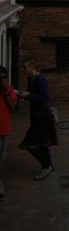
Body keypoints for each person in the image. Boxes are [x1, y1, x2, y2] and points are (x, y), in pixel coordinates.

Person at [16, 58, 57, 180]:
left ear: (31, 68)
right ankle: (48, 166)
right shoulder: (31, 79)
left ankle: (46, 165)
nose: (23, 70)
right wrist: (23, 94)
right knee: (42, 143)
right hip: (36, 115)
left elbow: (44, 97)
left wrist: (28, 95)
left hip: (42, 116)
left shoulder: (40, 79)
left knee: (31, 143)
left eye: (24, 67)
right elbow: (33, 95)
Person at [0, 66, 18, 202]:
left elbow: (12, 108)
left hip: (2, 130)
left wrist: (5, 92)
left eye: (4, 77)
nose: (2, 80)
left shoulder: (9, 90)